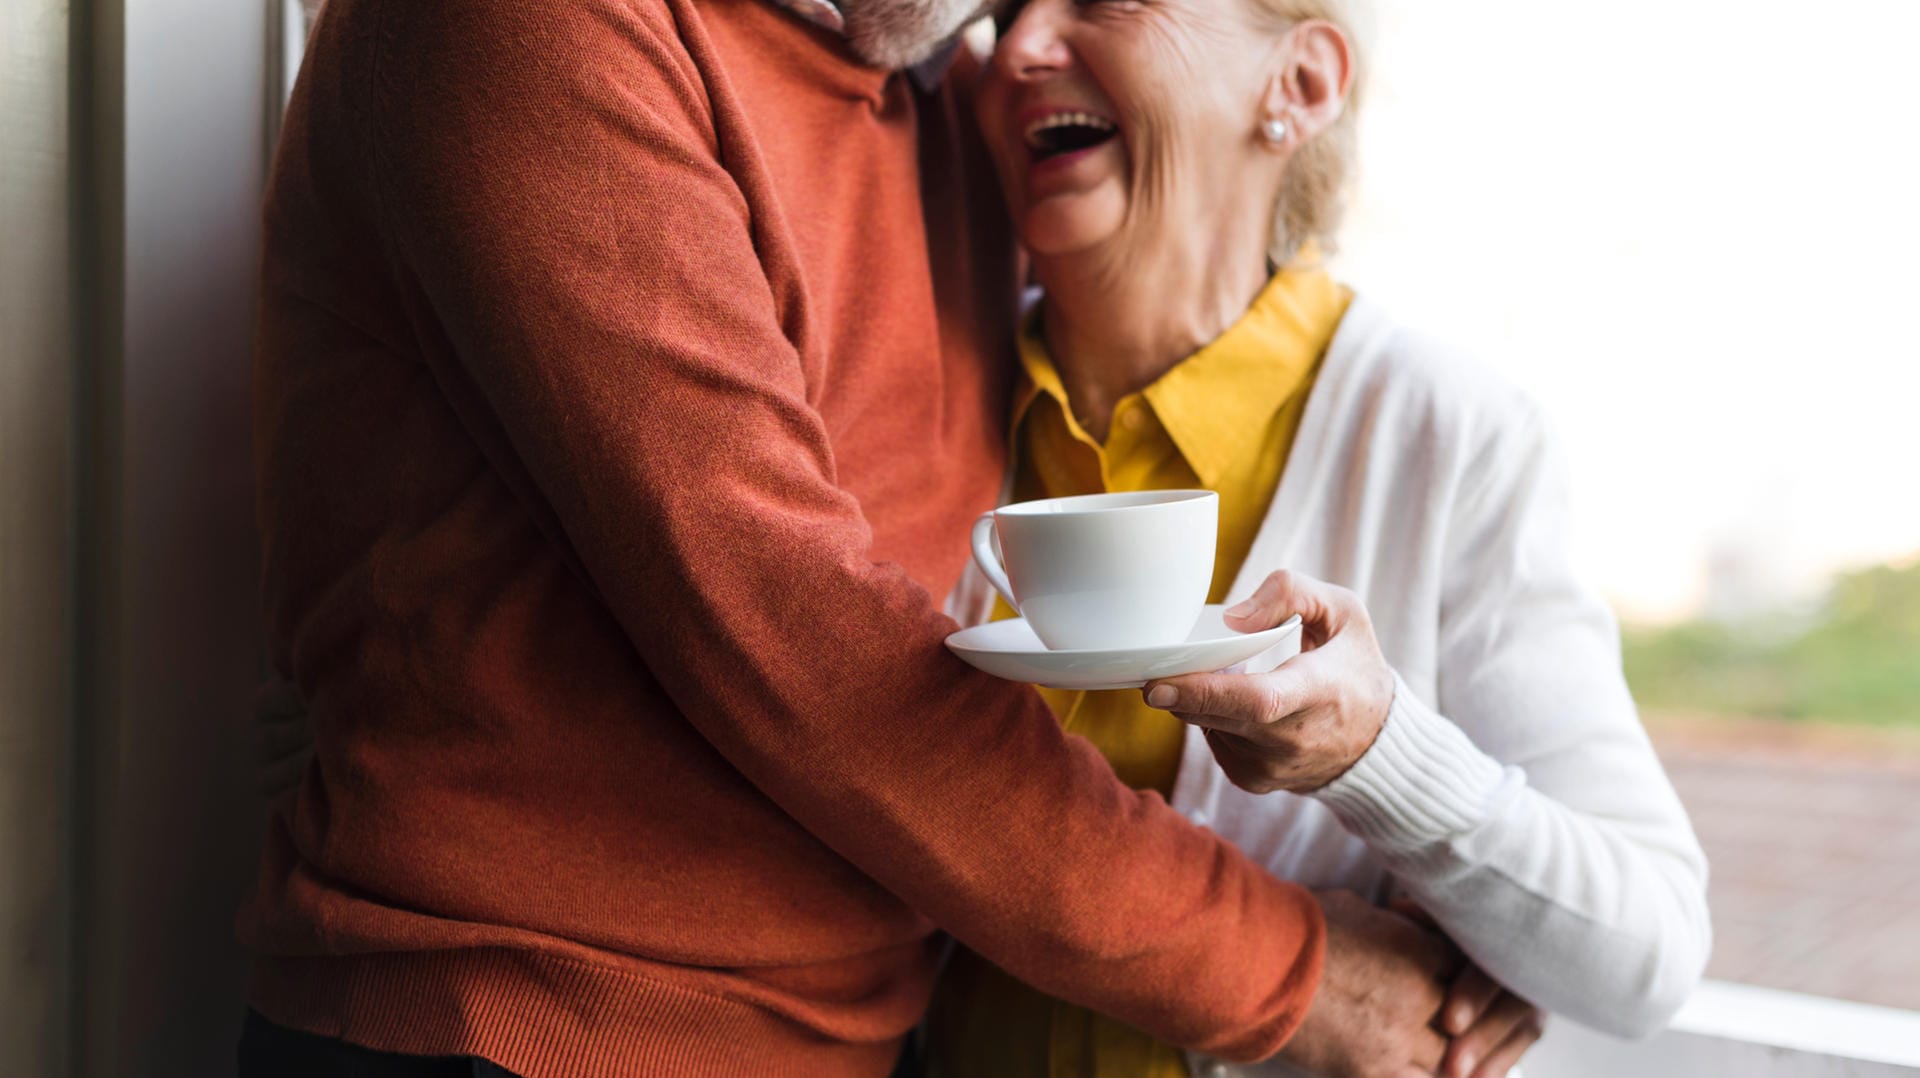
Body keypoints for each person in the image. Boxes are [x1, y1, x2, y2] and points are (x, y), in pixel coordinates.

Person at [239, 0, 1473, 1074]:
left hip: (871, 1033)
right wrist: (1290, 972)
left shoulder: (941, 88)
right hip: (516, 1021)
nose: (1028, 33)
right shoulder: (533, 25)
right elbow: (810, 649)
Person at [926, 0, 1713, 1074]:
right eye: (1005, 9)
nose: (1016, 48)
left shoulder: (1446, 435)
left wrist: (1381, 755)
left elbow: (1649, 953)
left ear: (1297, 84)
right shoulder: (923, 393)